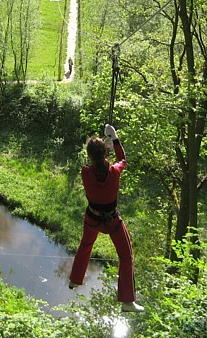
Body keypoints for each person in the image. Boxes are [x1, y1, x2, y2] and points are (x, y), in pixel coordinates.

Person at [68, 124, 144, 313]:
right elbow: (122, 159)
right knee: (126, 257)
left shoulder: (85, 172)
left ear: (89, 156)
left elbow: (97, 165)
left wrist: (106, 146)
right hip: (112, 221)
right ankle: (127, 301)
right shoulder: (114, 172)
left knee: (85, 246)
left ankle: (74, 280)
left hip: (92, 219)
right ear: (105, 154)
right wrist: (115, 139)